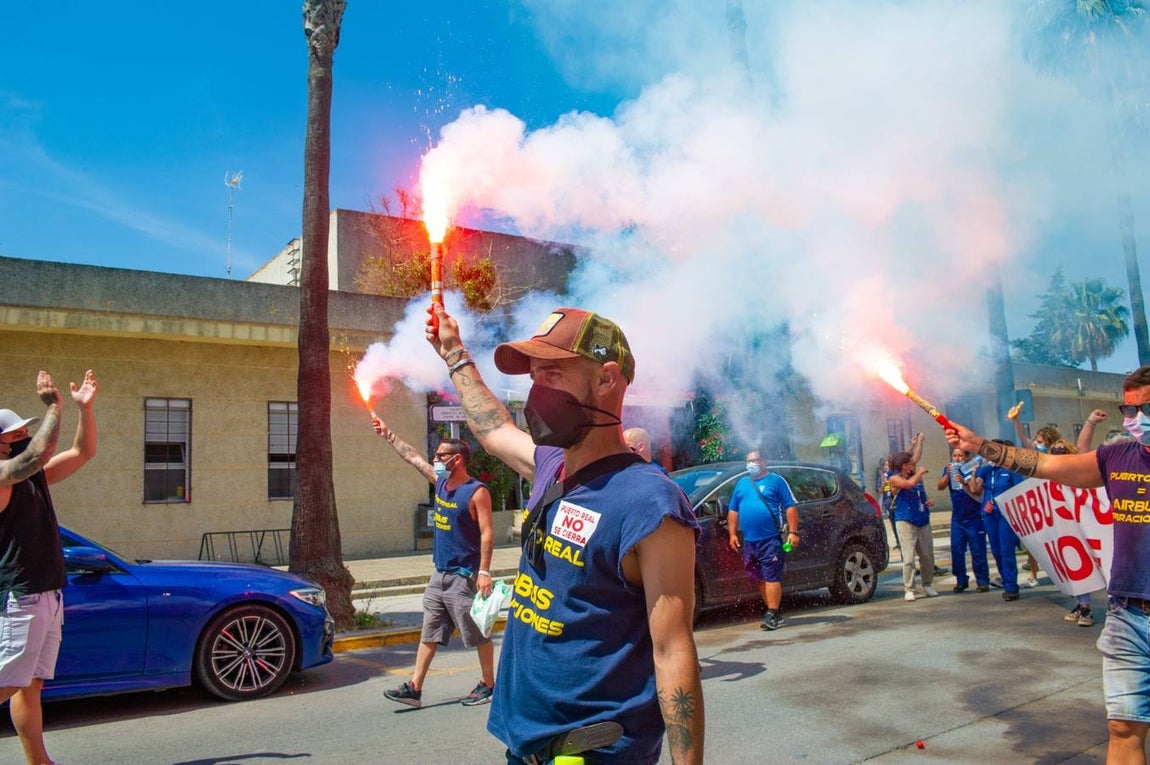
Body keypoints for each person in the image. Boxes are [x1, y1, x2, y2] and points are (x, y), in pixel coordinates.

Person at [426, 304, 704, 765]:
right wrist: (454, 355)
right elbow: (494, 427)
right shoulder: (552, 466)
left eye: (552, 375)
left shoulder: (651, 504)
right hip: (527, 749)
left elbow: (673, 649)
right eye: (534, 377)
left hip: (593, 753)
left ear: (607, 379)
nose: (537, 392)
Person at [945, 366, 1150, 763]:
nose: (1135, 420)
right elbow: (1045, 466)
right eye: (1128, 410)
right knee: (1123, 726)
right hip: (1129, 613)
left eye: (1146, 408)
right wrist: (982, 445)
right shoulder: (1116, 456)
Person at [0, 369, 98, 765]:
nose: (23, 434)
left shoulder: (32, 477)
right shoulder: (5, 476)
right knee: (8, 681)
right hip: (22, 593)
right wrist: (54, 406)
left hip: (48, 591)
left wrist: (84, 411)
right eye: (15, 433)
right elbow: (34, 457)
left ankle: (39, 762)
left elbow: (83, 453)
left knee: (30, 686)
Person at [372, 424, 497, 708]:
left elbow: (487, 533)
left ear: (458, 459)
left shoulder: (476, 492)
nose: (436, 460)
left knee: (478, 633)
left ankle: (489, 685)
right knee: (429, 633)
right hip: (439, 575)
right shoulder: (440, 483)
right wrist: (389, 435)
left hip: (463, 578)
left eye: (441, 456)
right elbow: (413, 457)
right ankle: (414, 688)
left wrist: (485, 572)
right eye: (437, 456)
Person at [726, 449, 799, 631]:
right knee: (760, 578)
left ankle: (772, 614)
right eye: (749, 460)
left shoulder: (776, 481)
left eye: (756, 460)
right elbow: (733, 510)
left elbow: (790, 506)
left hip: (770, 539)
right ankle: (773, 611)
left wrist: (793, 532)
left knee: (771, 576)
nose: (752, 464)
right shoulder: (742, 484)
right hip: (750, 541)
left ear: (764, 462)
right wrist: (732, 534)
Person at [1045, 438, 1096, 627]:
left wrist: (1090, 423)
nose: (1058, 454)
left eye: (1062, 450)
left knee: (1085, 564)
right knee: (1071, 565)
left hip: (1080, 523)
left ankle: (1087, 608)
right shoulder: (1048, 474)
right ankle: (1081, 603)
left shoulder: (1078, 469)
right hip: (1060, 525)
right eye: (1054, 451)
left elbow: (1083, 445)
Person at [968, 440, 1028, 601]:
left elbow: (1019, 491)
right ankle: (1006, 580)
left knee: (1006, 549)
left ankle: (1011, 587)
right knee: (995, 550)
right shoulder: (986, 470)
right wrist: (974, 473)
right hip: (989, 514)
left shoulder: (1011, 469)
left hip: (1006, 514)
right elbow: (974, 490)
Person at [1010, 421, 1062, 587]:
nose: (1036, 444)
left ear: (1048, 441)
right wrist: (1016, 420)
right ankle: (1033, 572)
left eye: (1039, 441)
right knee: (1034, 539)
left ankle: (1060, 572)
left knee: (1056, 540)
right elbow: (1022, 437)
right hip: (1035, 502)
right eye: (1036, 441)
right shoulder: (1034, 455)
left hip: (1053, 502)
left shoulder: (1057, 456)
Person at [937, 448, 990, 593]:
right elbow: (940, 486)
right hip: (957, 518)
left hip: (974, 517)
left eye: (960, 455)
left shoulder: (975, 469)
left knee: (978, 550)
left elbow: (977, 491)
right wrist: (947, 475)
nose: (957, 458)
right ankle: (961, 580)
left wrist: (964, 482)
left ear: (967, 456)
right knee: (956, 550)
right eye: (954, 455)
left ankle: (982, 581)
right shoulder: (949, 469)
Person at [887, 450, 937, 602]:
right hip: (905, 520)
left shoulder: (917, 480)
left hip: (922, 518)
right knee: (909, 557)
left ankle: (927, 584)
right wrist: (920, 473)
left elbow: (921, 494)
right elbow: (908, 485)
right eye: (911, 464)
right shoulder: (894, 478)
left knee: (927, 556)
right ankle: (909, 588)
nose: (914, 466)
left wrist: (929, 500)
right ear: (903, 466)